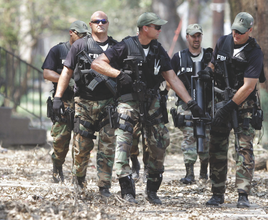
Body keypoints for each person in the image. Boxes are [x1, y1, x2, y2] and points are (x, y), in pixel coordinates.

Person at [91, 12, 205, 205]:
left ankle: (152, 191)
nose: (160, 30)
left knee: (159, 146)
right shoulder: (125, 46)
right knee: (122, 146)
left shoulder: (158, 50)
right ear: (145, 28)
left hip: (152, 103)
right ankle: (127, 191)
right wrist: (118, 75)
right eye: (157, 27)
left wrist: (191, 103)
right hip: (128, 102)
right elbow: (97, 63)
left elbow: (172, 78)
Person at [199, 12, 265, 208]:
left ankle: (243, 194)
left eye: (241, 32)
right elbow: (213, 62)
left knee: (244, 149)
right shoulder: (223, 42)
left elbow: (249, 86)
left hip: (243, 106)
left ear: (250, 31)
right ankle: (217, 193)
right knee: (216, 148)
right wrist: (207, 71)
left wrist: (229, 107)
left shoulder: (254, 52)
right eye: (234, 30)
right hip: (219, 103)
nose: (236, 34)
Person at [53, 11, 118, 198]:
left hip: (108, 104)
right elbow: (66, 72)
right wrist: (58, 97)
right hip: (84, 103)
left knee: (107, 148)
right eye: (96, 21)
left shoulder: (116, 47)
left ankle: (104, 187)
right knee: (81, 147)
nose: (100, 24)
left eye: (103, 21)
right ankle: (79, 183)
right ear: (90, 25)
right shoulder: (80, 45)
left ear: (108, 24)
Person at [42, 20, 89, 183]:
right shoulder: (58, 50)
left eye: (85, 35)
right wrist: (66, 79)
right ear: (71, 32)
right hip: (62, 102)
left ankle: (78, 176)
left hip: (83, 103)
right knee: (60, 141)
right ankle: (57, 167)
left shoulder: (88, 51)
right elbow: (47, 73)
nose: (83, 38)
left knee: (81, 142)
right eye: (80, 34)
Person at [170, 23, 213, 184]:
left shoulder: (210, 57)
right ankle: (189, 173)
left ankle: (204, 171)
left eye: (198, 35)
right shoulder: (179, 58)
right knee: (189, 139)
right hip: (186, 106)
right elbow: (170, 79)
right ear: (187, 37)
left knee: (206, 138)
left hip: (206, 105)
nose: (196, 39)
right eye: (193, 36)